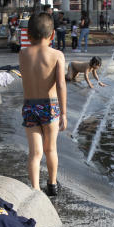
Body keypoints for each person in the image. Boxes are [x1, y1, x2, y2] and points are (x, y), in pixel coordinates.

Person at [19, 12, 67, 196]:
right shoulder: (57, 55)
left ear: (28, 35)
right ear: (53, 35)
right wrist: (63, 113)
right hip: (50, 105)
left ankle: (35, 190)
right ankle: (52, 185)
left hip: (30, 107)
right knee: (51, 149)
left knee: (35, 153)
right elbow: (61, 84)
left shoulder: (22, 54)